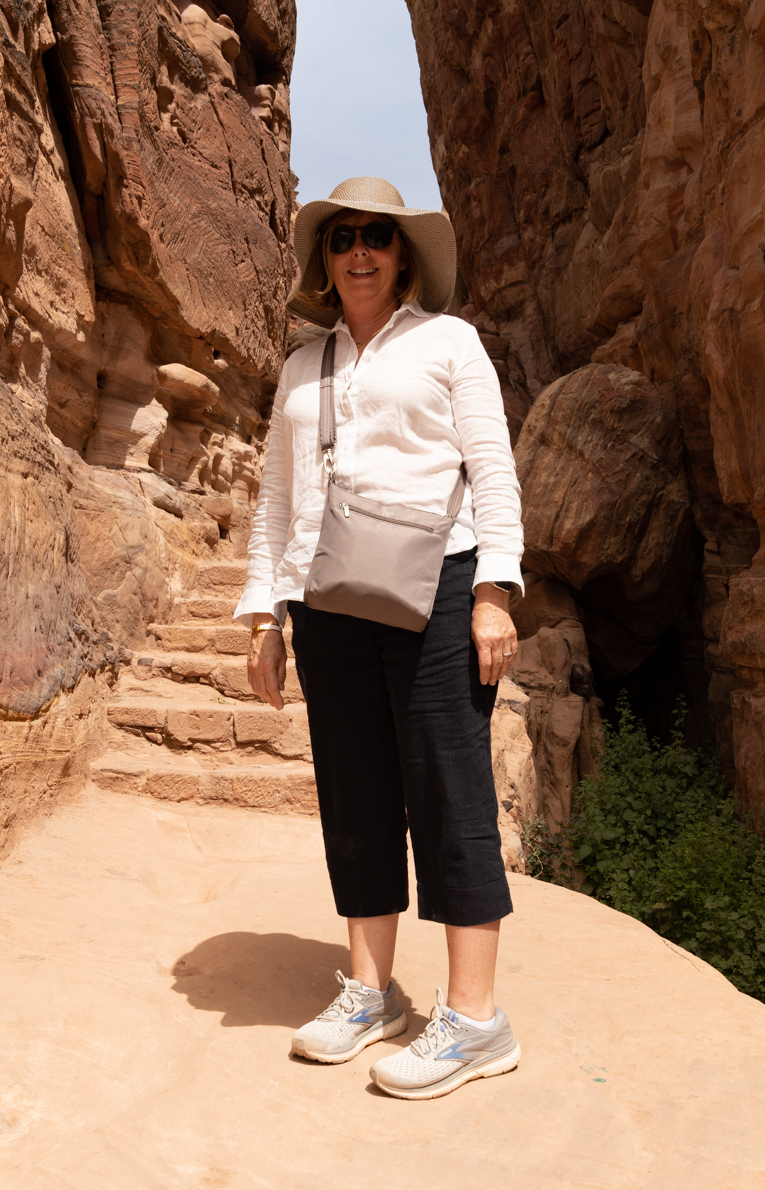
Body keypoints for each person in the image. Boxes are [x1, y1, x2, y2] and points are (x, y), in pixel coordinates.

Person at [234, 177, 525, 1100]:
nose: (358, 252)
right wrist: (264, 612)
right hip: (326, 598)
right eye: (342, 238)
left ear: (404, 256)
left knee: (448, 786)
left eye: (376, 237)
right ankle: (371, 993)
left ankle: (476, 1019)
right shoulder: (300, 365)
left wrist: (493, 594)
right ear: (325, 260)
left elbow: (493, 471)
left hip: (439, 584)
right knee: (354, 791)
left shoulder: (450, 342)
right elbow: (278, 496)